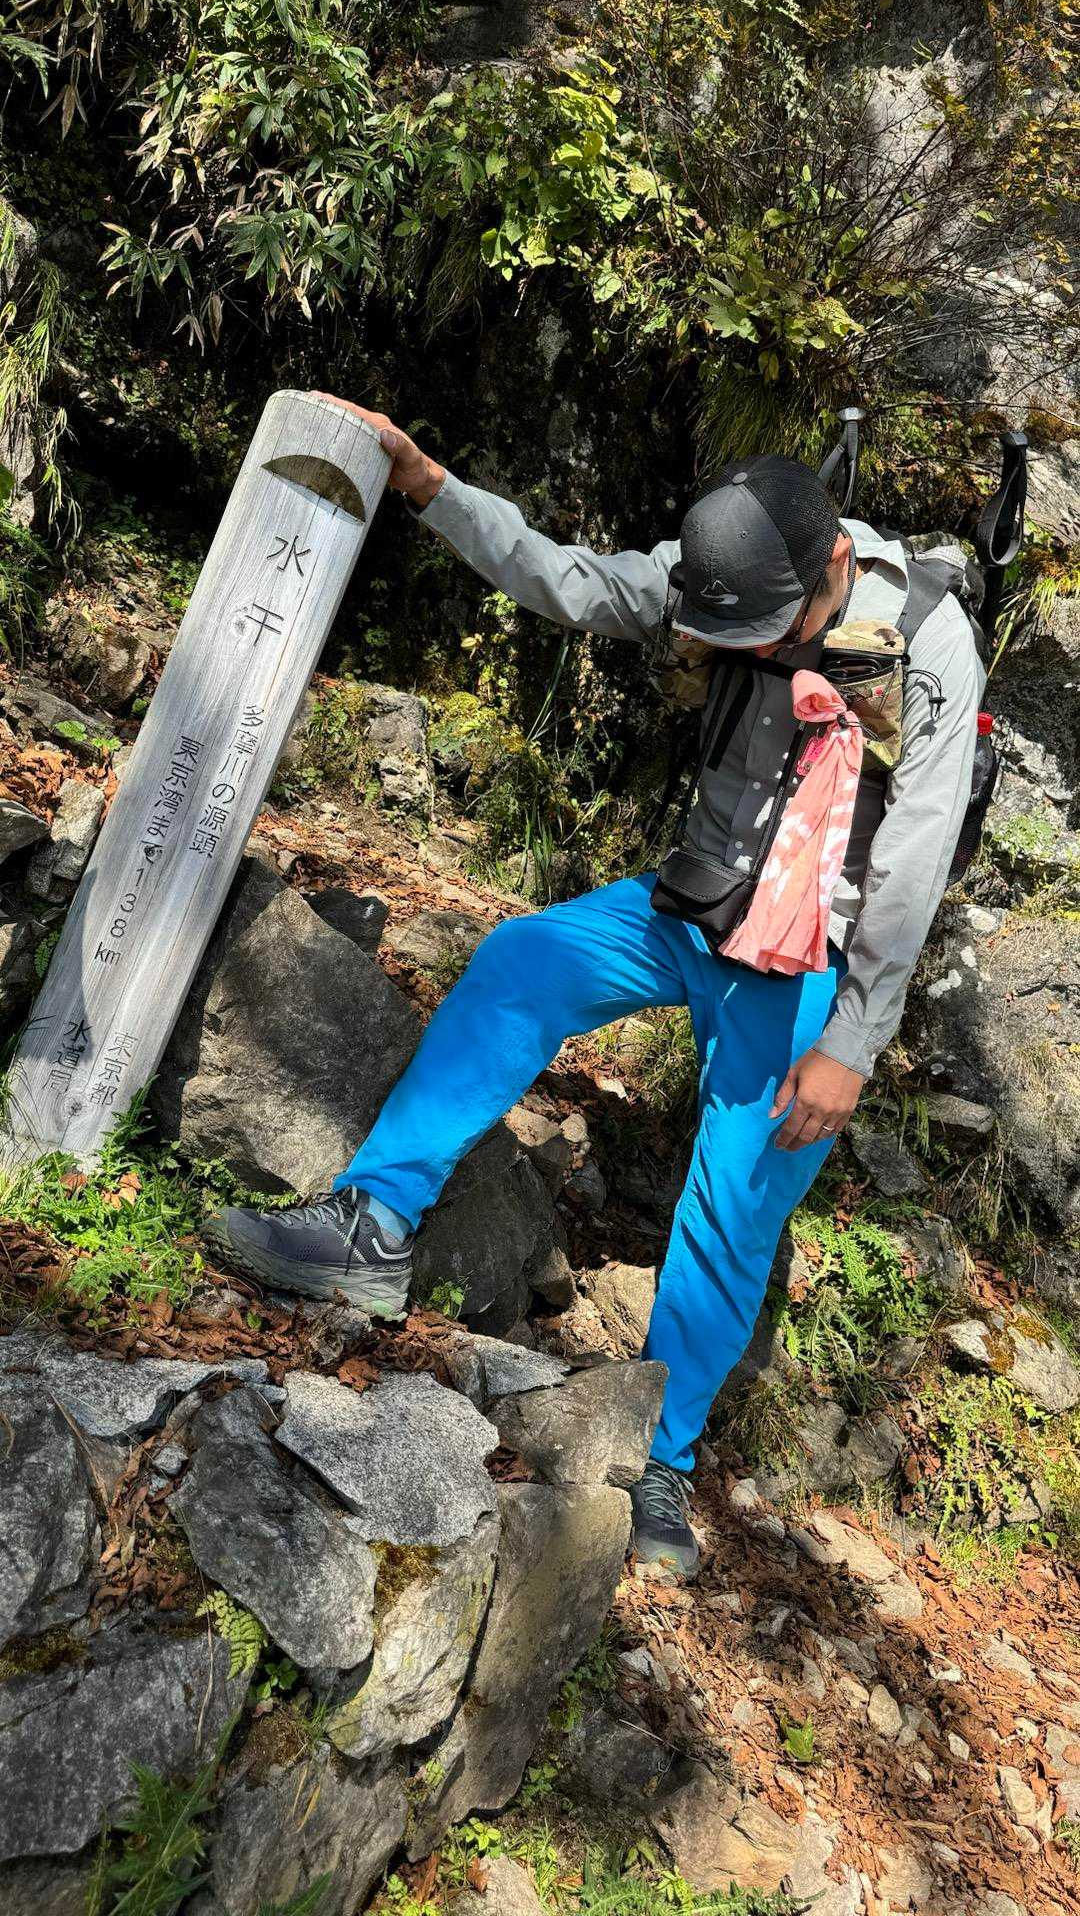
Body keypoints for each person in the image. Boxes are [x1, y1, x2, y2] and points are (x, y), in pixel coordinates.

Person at [205, 395, 982, 1578]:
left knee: (734, 1203)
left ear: (835, 560)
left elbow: (914, 864)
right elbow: (570, 580)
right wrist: (429, 486)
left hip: (811, 959)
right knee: (522, 961)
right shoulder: (721, 568)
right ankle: (372, 1223)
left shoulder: (927, 636)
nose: (764, 649)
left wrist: (855, 1043)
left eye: (780, 628)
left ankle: (654, 1459)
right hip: (695, 902)